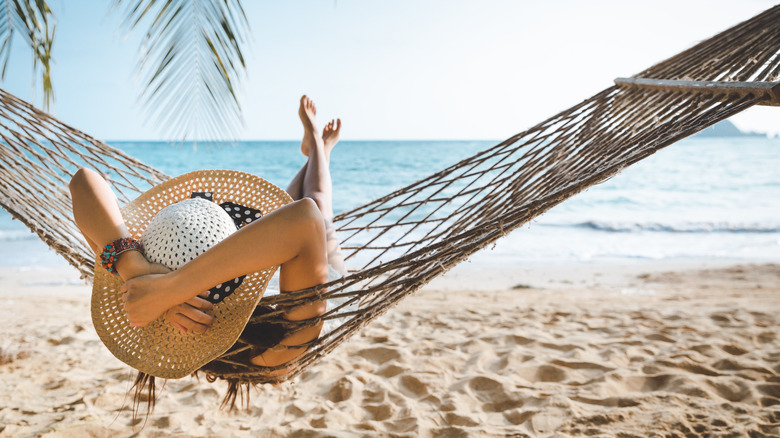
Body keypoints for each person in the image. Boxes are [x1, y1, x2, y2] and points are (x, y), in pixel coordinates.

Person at [69, 95, 344, 371]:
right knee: (319, 202)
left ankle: (317, 148)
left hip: (259, 254)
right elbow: (307, 218)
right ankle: (320, 148)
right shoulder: (276, 348)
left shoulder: (137, 296)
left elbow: (82, 182)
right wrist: (169, 290)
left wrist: (135, 269)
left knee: (293, 203)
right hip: (315, 282)